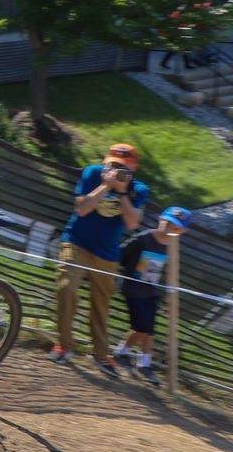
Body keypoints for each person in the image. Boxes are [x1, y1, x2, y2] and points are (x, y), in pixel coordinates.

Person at [50, 144, 149, 375]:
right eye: (112, 164)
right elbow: (82, 209)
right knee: (66, 288)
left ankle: (102, 356)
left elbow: (133, 223)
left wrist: (122, 192)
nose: (116, 169)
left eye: (122, 167)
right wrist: (105, 185)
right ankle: (64, 345)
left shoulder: (139, 189)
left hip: (107, 253)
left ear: (133, 170)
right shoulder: (93, 173)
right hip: (77, 242)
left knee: (101, 305)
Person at [111, 206, 191, 386]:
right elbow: (121, 255)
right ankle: (124, 353)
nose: (171, 230)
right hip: (133, 288)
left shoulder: (172, 247)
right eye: (169, 224)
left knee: (149, 330)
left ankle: (143, 363)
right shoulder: (143, 239)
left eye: (177, 228)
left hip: (151, 290)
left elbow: (168, 271)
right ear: (161, 220)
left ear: (183, 232)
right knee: (142, 327)